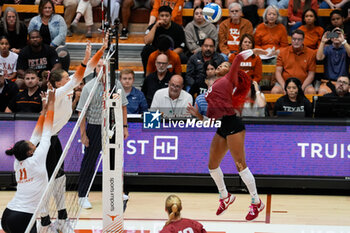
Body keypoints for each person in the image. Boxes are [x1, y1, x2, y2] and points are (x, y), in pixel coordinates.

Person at [30, 34, 108, 231]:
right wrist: (84, 58)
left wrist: (101, 50)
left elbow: (87, 70)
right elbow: (79, 77)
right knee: (48, 181)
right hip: (42, 142)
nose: (71, 79)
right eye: (66, 78)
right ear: (58, 83)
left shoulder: (63, 89)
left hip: (52, 139)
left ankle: (63, 219)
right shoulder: (56, 93)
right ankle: (45, 221)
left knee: (60, 178)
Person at [187, 48, 267, 221]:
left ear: (230, 70)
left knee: (240, 166)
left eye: (224, 64)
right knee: (212, 165)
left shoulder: (229, 78)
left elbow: (238, 57)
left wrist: (255, 51)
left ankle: (256, 201)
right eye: (220, 64)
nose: (219, 65)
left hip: (233, 124)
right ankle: (225, 197)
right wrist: (197, 114)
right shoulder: (212, 86)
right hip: (221, 126)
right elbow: (209, 121)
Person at [1, 88, 55, 233]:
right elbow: (46, 132)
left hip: (8, 215)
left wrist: (43, 110)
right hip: (22, 217)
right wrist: (51, 104)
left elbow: (36, 134)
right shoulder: (37, 159)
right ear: (30, 152)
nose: (33, 142)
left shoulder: (18, 161)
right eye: (31, 144)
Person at [77, 58, 129, 209]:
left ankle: (117, 191)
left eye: (104, 66)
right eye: (99, 66)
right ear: (95, 69)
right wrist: (83, 133)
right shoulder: (88, 87)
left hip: (113, 127)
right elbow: (82, 111)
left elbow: (123, 106)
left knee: (115, 161)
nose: (101, 69)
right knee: (89, 162)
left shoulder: (116, 84)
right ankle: (82, 195)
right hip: (94, 127)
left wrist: (124, 127)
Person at [142, 6, 187, 73]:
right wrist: (155, 27)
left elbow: (181, 47)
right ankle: (147, 76)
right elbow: (146, 41)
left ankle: (178, 78)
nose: (164, 18)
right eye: (162, 16)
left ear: (171, 16)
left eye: (167, 16)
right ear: (158, 16)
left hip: (172, 53)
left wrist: (167, 54)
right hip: (157, 52)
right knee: (146, 50)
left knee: (183, 57)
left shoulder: (178, 28)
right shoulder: (153, 26)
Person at [273, 29, 316, 94]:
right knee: (275, 91)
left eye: (299, 39)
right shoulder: (282, 52)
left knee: (311, 91)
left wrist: (301, 88)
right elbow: (278, 72)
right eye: (294, 39)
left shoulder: (311, 53)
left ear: (303, 40)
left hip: (303, 84)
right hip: (285, 83)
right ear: (291, 39)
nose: (296, 41)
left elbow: (311, 75)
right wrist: (285, 87)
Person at [316, 28, 350, 95]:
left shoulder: (346, 47)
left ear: (343, 36)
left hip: (343, 82)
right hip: (329, 81)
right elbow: (319, 58)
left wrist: (343, 41)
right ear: (331, 37)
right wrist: (323, 42)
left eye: (339, 35)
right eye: (334, 35)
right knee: (322, 91)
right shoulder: (327, 48)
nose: (336, 37)